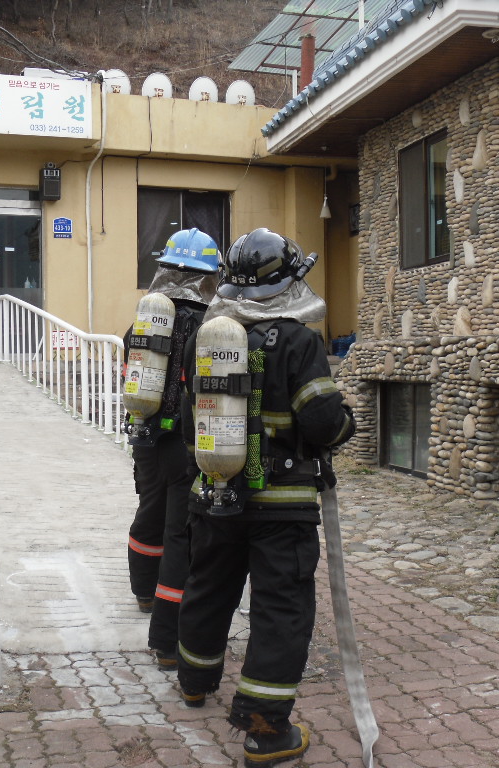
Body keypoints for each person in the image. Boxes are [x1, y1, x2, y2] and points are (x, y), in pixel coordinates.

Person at [176, 228, 355, 767]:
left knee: (208, 587)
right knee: (281, 609)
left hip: (215, 494)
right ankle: (265, 729)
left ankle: (194, 681)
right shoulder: (299, 341)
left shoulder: (208, 337)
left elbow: (188, 424)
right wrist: (345, 425)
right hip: (281, 507)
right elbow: (322, 423)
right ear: (288, 282)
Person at [123, 227, 221, 670]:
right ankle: (168, 641)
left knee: (149, 506)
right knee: (181, 533)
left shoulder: (146, 320)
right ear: (208, 277)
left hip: (146, 436)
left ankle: (144, 592)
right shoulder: (210, 327)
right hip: (185, 443)